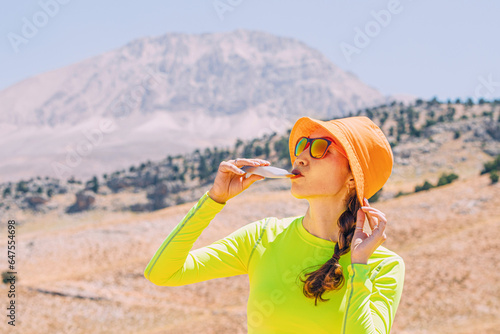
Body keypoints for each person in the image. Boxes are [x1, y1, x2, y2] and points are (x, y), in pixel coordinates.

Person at [144, 116, 405, 333]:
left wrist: (359, 270)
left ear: (352, 177)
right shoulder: (263, 236)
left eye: (320, 148)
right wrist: (214, 199)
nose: (301, 157)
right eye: (303, 145)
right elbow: (163, 272)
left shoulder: (382, 266)